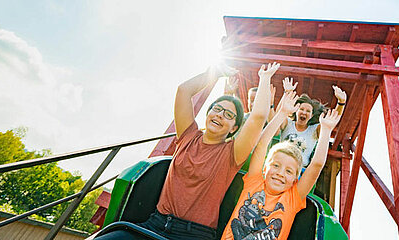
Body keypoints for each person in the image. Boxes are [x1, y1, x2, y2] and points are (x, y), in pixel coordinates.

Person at [95, 62, 281, 240]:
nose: (219, 115)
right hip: (156, 223)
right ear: (208, 113)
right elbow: (183, 91)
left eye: (229, 115)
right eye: (216, 109)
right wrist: (214, 73)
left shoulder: (232, 154)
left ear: (234, 128)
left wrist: (264, 78)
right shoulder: (188, 136)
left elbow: (257, 117)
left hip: (195, 235)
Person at [220, 91, 343, 240]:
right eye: (276, 165)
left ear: (295, 179)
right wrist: (282, 113)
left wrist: (326, 131)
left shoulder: (292, 198)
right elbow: (261, 145)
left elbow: (316, 165)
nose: (280, 173)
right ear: (265, 168)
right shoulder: (254, 182)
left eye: (289, 171)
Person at [278, 77, 347, 169]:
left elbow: (331, 120)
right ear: (296, 111)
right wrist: (286, 93)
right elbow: (278, 116)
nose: (304, 112)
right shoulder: (288, 123)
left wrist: (341, 103)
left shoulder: (313, 130)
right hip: (280, 163)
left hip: (299, 169)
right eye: (301, 109)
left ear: (311, 116)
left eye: (308, 111)